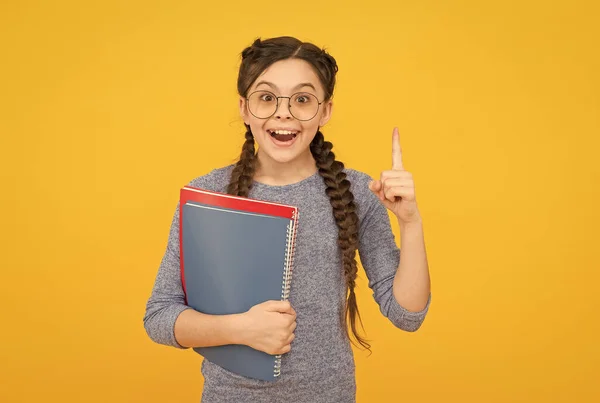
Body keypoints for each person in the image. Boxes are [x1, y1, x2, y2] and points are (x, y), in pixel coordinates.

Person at [143, 36, 431, 402]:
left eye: (302, 99)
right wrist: (241, 329)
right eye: (267, 98)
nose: (284, 113)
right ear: (244, 108)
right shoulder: (208, 194)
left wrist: (411, 222)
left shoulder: (358, 193)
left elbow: (408, 315)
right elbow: (160, 317)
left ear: (325, 111)